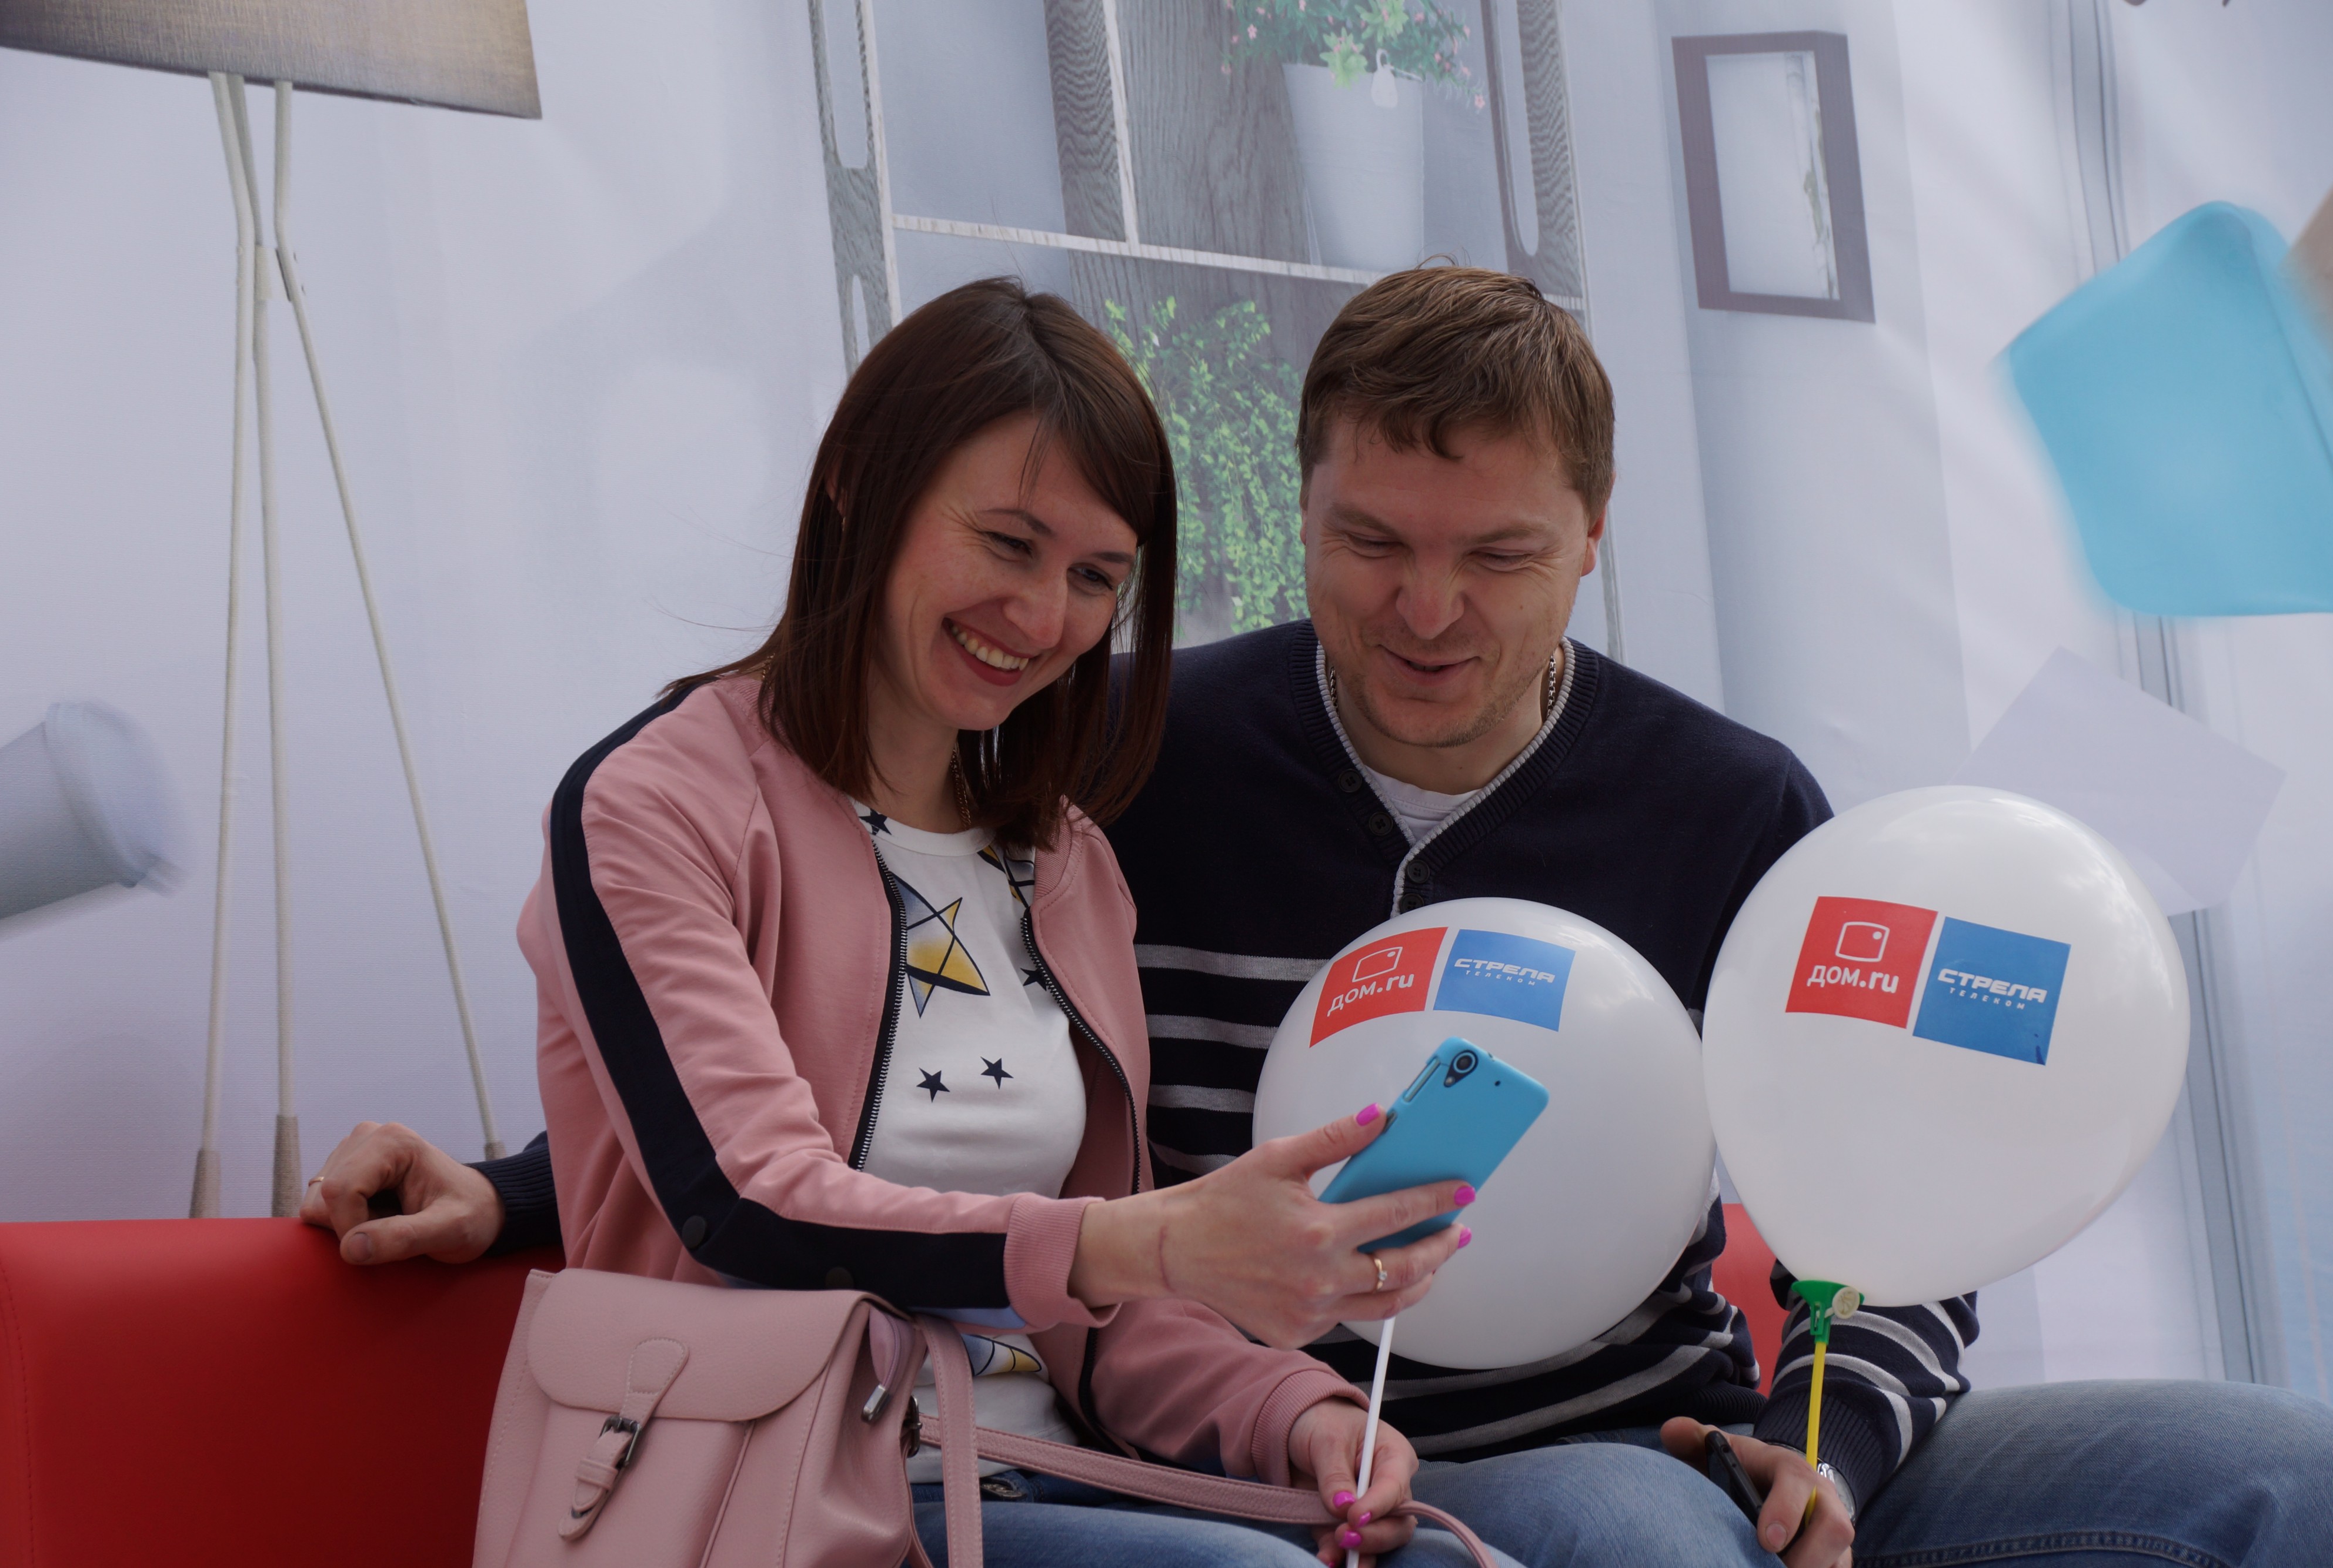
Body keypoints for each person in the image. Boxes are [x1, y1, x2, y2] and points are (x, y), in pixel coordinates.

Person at [313, 268, 2333, 1567]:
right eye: (1370, 540)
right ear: (1301, 513)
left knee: (2277, 1472)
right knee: (1641, 1542)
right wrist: (532, 1176)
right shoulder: (1122, 767)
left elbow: (1896, 1173)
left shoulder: (1725, 807)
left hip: (1673, 1419)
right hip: (1332, 1448)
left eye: (1498, 554)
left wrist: (1838, 1443)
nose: (1427, 608)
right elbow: (817, 1098)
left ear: (1592, 541)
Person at [311, 275, 1513, 1567]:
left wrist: (1299, 1417)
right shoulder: (655, 805)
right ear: (857, 484)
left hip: (1037, 1488)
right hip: (765, 1506)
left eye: (1093, 575)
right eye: (1006, 543)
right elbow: (749, 1203)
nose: (1042, 617)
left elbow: (1097, 1309)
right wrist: (1158, 1237)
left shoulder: (1065, 863)